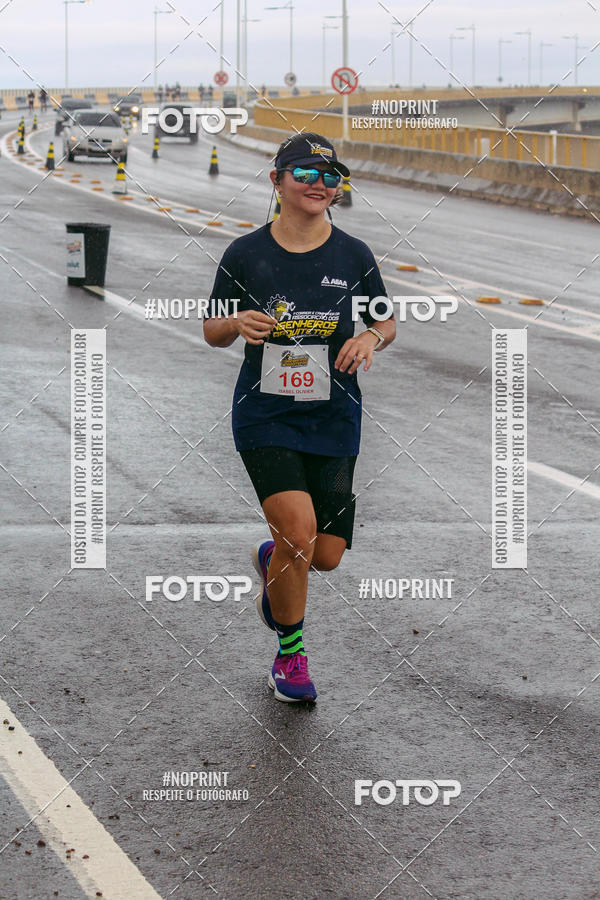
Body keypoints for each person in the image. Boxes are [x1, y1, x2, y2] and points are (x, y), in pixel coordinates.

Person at [203, 133, 395, 704]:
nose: (320, 184)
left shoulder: (355, 255)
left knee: (326, 555)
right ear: (278, 180)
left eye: (331, 175)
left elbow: (387, 323)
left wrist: (369, 338)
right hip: (265, 414)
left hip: (335, 415)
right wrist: (237, 323)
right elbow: (211, 329)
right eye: (306, 173)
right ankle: (290, 657)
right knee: (300, 534)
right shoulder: (246, 254)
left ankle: (276, 561)